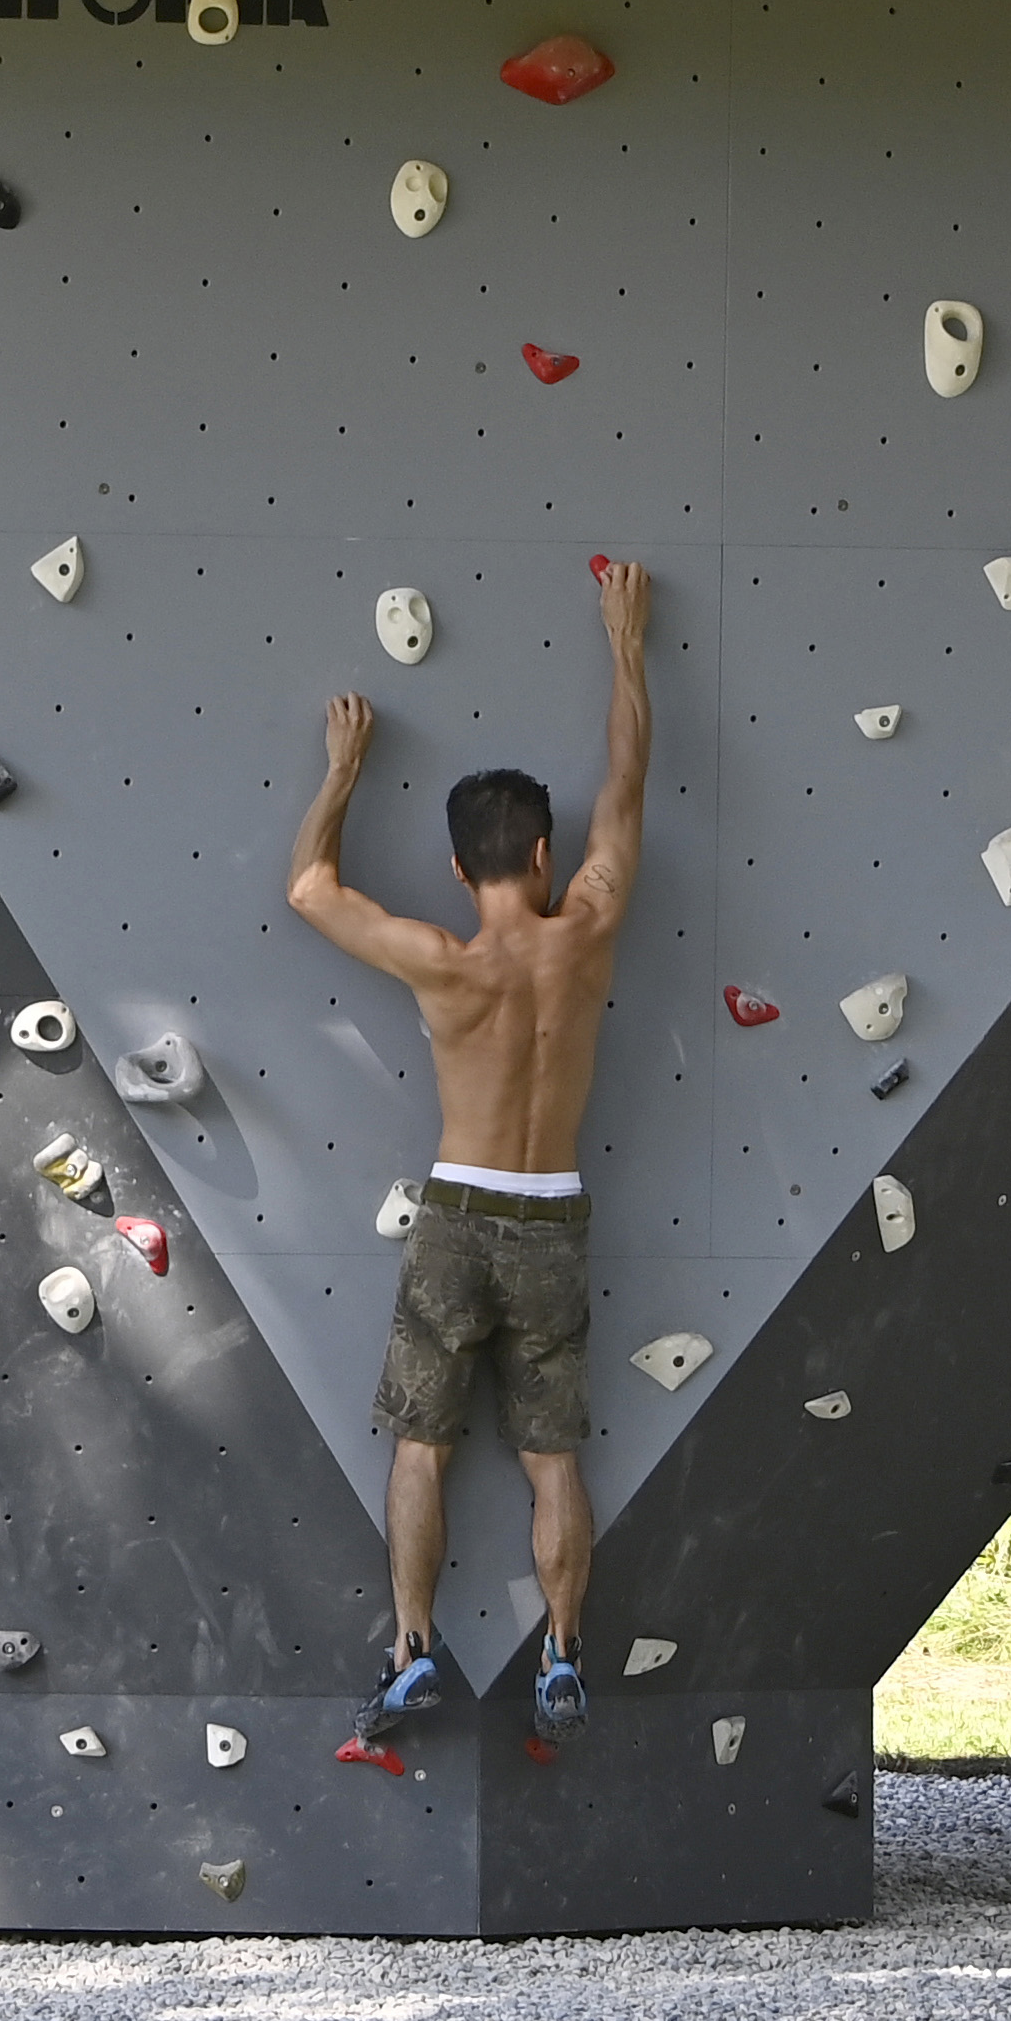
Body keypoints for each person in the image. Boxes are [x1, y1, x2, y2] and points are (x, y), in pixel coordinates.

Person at [284, 552, 652, 1765]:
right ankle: (560, 1652)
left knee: (421, 1441)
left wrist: (343, 770)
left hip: (457, 1214)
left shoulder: (441, 958)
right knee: (554, 1454)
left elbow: (309, 890)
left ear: (458, 867)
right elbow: (629, 779)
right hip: (555, 1213)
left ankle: (411, 1648)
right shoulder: (588, 927)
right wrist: (625, 642)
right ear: (544, 856)